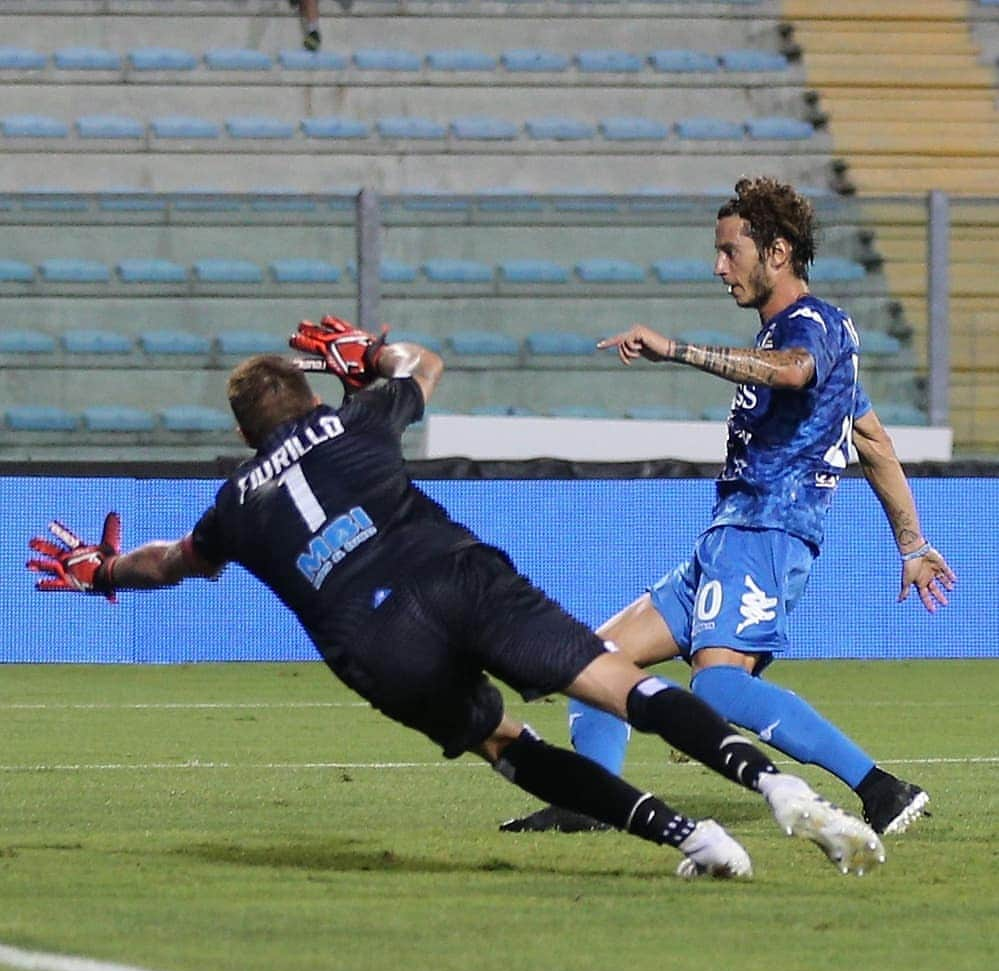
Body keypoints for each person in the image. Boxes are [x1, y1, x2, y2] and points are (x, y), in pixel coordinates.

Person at [26, 316, 884, 879]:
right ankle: (772, 786)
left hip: (375, 641)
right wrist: (368, 352)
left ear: (246, 434)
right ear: (310, 396)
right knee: (619, 682)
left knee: (503, 741)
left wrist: (100, 571)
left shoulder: (236, 503)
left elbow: (170, 562)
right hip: (454, 574)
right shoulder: (351, 419)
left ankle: (691, 838)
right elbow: (423, 364)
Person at [501, 176, 957, 837]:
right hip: (727, 536)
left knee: (714, 689)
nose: (719, 267)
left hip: (768, 531)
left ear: (776, 251)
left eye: (729, 251)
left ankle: (881, 789)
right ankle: (591, 797)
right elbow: (872, 441)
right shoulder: (808, 340)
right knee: (593, 660)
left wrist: (676, 349)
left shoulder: (812, 327)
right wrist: (911, 545)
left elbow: (792, 370)